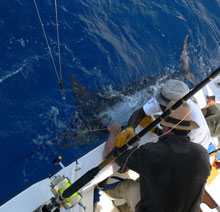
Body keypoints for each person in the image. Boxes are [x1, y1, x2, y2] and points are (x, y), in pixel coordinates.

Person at [104, 101, 211, 212]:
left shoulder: (152, 152)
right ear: (188, 129)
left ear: (166, 127)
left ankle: (104, 189)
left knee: (127, 185)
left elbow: (109, 156)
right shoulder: (203, 154)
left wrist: (114, 132)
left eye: (162, 124)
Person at [115, 79, 211, 150]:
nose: (159, 105)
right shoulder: (167, 97)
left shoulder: (190, 125)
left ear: (173, 106)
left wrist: (156, 130)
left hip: (194, 148)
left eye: (163, 105)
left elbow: (173, 145)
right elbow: (140, 113)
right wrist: (129, 129)